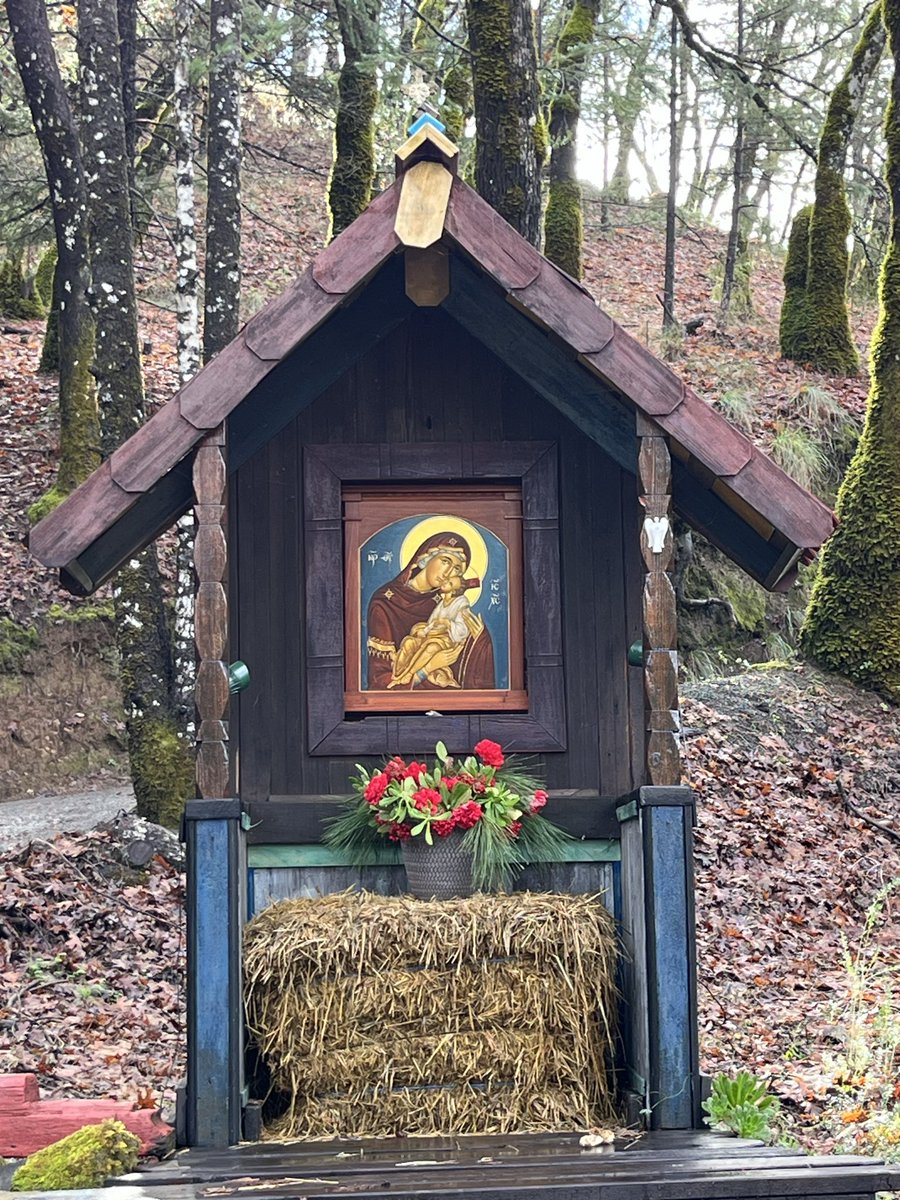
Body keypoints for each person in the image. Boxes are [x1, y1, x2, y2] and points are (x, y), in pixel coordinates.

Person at [365, 531, 495, 691]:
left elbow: (460, 655)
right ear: (426, 556)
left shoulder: (448, 603)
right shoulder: (385, 603)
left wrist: (480, 642)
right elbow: (380, 683)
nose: (448, 573)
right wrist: (428, 668)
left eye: (456, 569)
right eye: (445, 561)